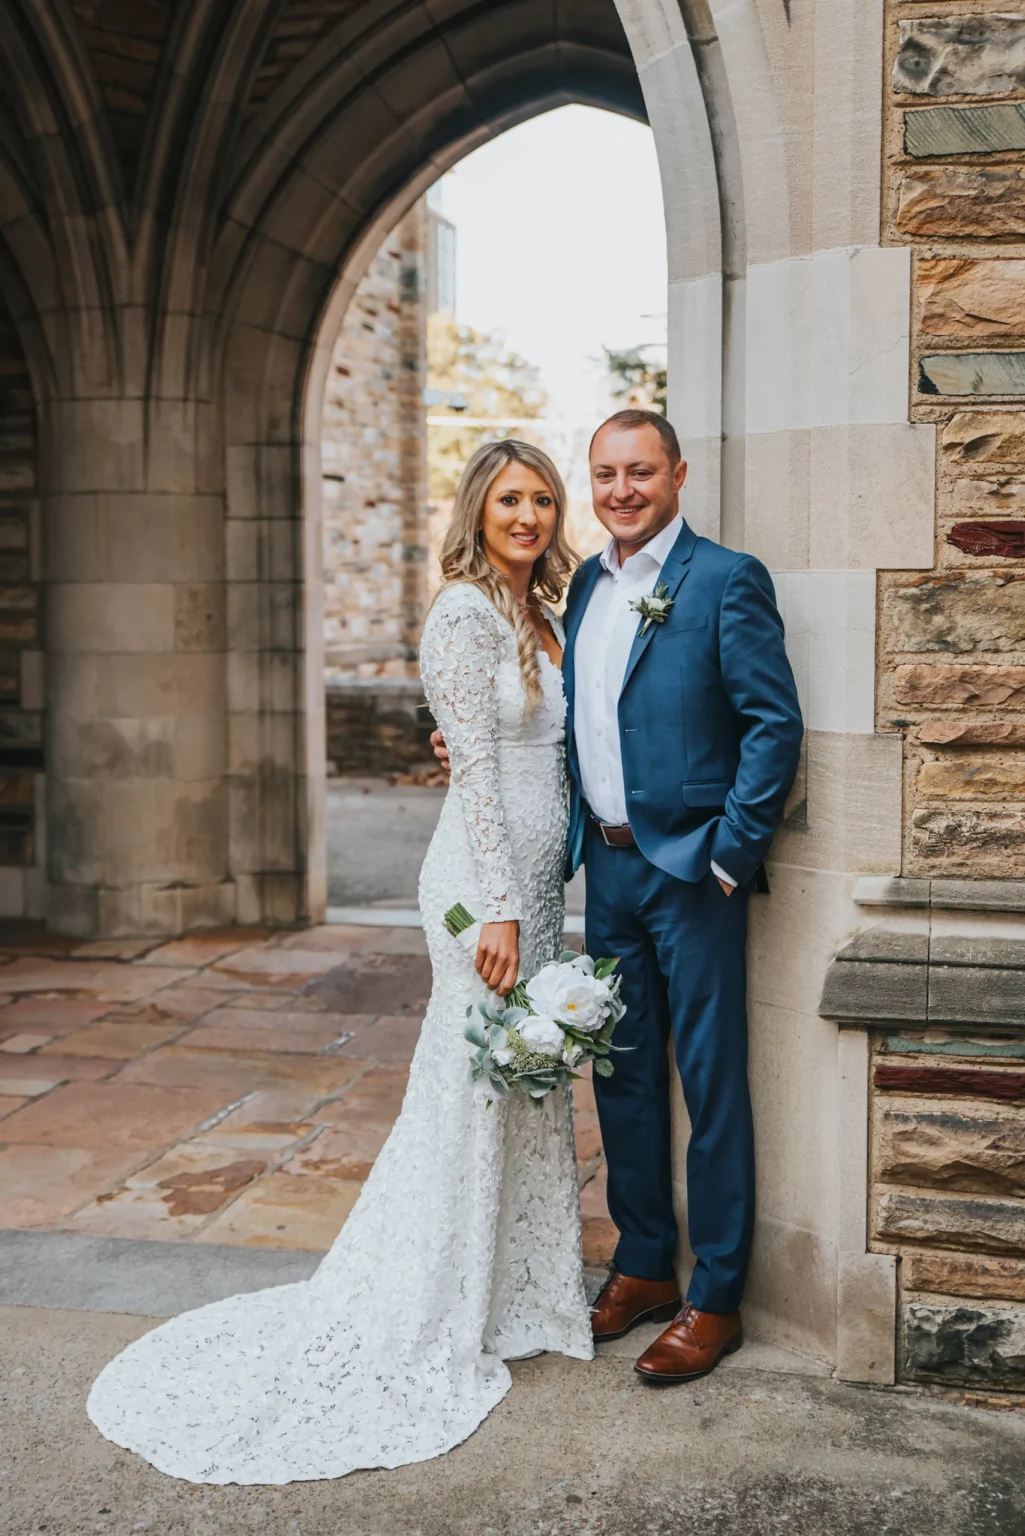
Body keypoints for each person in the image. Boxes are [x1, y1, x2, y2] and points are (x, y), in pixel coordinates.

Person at [86, 440, 592, 1484]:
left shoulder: (546, 610)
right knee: (469, 1080)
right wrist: (496, 908)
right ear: (476, 508)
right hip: (480, 889)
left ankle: (514, 1294)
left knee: (523, 1084)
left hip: (543, 889)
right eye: (509, 498)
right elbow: (479, 780)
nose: (529, 514)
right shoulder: (459, 614)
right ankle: (432, 1302)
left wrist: (538, 893)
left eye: (542, 497)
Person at [434, 408, 803, 1383]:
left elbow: (771, 723)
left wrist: (727, 856)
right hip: (605, 872)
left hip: (693, 876)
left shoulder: (725, 581)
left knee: (711, 1085)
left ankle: (713, 1293)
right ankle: (641, 1263)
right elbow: (555, 726)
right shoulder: (584, 587)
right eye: (604, 475)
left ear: (675, 474)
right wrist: (460, 742)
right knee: (621, 1076)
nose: (621, 491)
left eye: (640, 472)